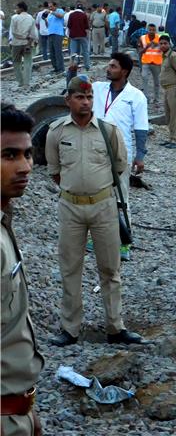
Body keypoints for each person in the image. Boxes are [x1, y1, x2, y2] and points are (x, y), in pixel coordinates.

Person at [45, 76, 145, 347]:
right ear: (68, 100)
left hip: (104, 207)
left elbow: (120, 165)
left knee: (110, 269)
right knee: (70, 268)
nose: (86, 102)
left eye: (89, 98)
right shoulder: (56, 132)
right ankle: (70, 330)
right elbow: (54, 171)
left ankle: (115, 328)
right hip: (71, 208)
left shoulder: (108, 130)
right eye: (80, 97)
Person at [1, 105, 45, 436]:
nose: (25, 167)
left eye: (27, 154)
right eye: (9, 155)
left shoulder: (4, 223)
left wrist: (27, 414)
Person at [92, 52, 149, 260]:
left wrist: (140, 156)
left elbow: (141, 129)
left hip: (121, 152)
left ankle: (124, 242)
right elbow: (75, 88)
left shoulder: (136, 97)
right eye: (108, 65)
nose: (108, 69)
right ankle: (98, 238)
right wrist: (71, 71)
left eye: (113, 66)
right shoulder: (99, 89)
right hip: (96, 149)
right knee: (98, 195)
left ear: (124, 71)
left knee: (121, 197)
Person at [158, 35, 176, 148]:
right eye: (161, 43)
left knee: (175, 115)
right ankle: (171, 138)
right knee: (168, 115)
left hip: (174, 89)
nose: (163, 45)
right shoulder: (165, 57)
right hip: (167, 89)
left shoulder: (173, 56)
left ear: (169, 44)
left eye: (165, 43)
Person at [9, 2, 38, 91]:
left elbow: (13, 32)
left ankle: (20, 82)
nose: (16, 10)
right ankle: (27, 83)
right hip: (28, 44)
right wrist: (29, 40)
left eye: (17, 8)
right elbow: (33, 34)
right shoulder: (31, 19)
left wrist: (22, 36)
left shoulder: (15, 18)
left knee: (16, 62)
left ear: (21, 9)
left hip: (16, 43)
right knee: (28, 63)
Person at [137, 24, 163, 105]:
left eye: (153, 30)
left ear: (156, 30)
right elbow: (139, 51)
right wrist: (146, 47)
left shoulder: (160, 38)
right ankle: (146, 98)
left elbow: (166, 49)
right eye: (150, 30)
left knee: (157, 82)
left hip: (157, 63)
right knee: (145, 79)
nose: (151, 31)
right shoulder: (142, 38)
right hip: (146, 62)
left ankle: (156, 99)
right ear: (147, 30)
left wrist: (158, 45)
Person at [65, 4, 90, 72]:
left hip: (73, 36)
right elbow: (86, 27)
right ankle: (87, 66)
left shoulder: (71, 15)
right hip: (82, 35)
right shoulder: (84, 15)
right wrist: (87, 36)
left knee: (73, 52)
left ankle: (72, 66)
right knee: (85, 51)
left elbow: (69, 26)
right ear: (82, 9)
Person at [46, 2, 65, 73]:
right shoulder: (49, 14)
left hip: (58, 33)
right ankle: (55, 67)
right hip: (50, 33)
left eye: (51, 6)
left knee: (58, 52)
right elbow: (48, 24)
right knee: (52, 52)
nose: (50, 8)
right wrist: (44, 19)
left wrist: (51, 12)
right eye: (49, 7)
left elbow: (60, 16)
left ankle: (61, 68)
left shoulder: (60, 10)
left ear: (55, 6)